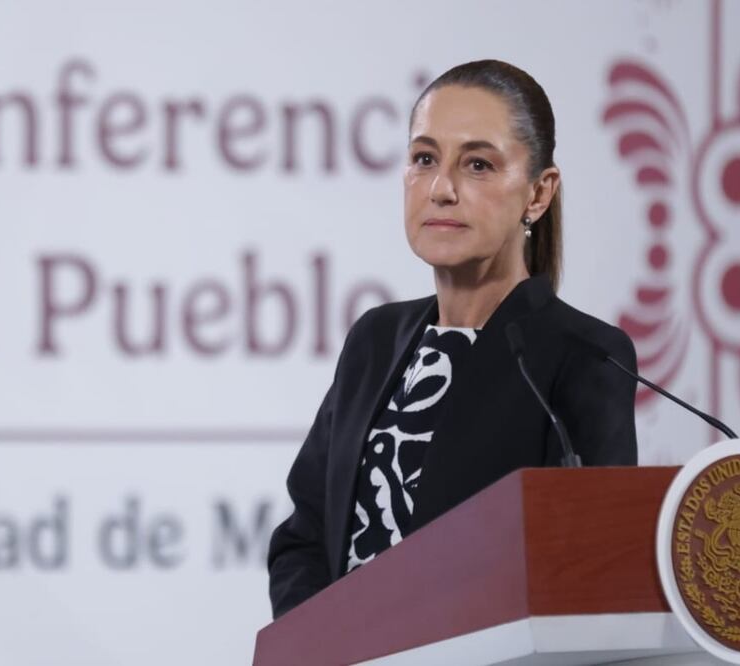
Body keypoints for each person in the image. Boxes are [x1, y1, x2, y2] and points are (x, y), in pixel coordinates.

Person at [267, 59, 638, 619]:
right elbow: (304, 537)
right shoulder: (375, 338)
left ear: (538, 193)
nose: (441, 189)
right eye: (424, 159)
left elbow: (589, 576)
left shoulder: (584, 356)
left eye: (478, 164)